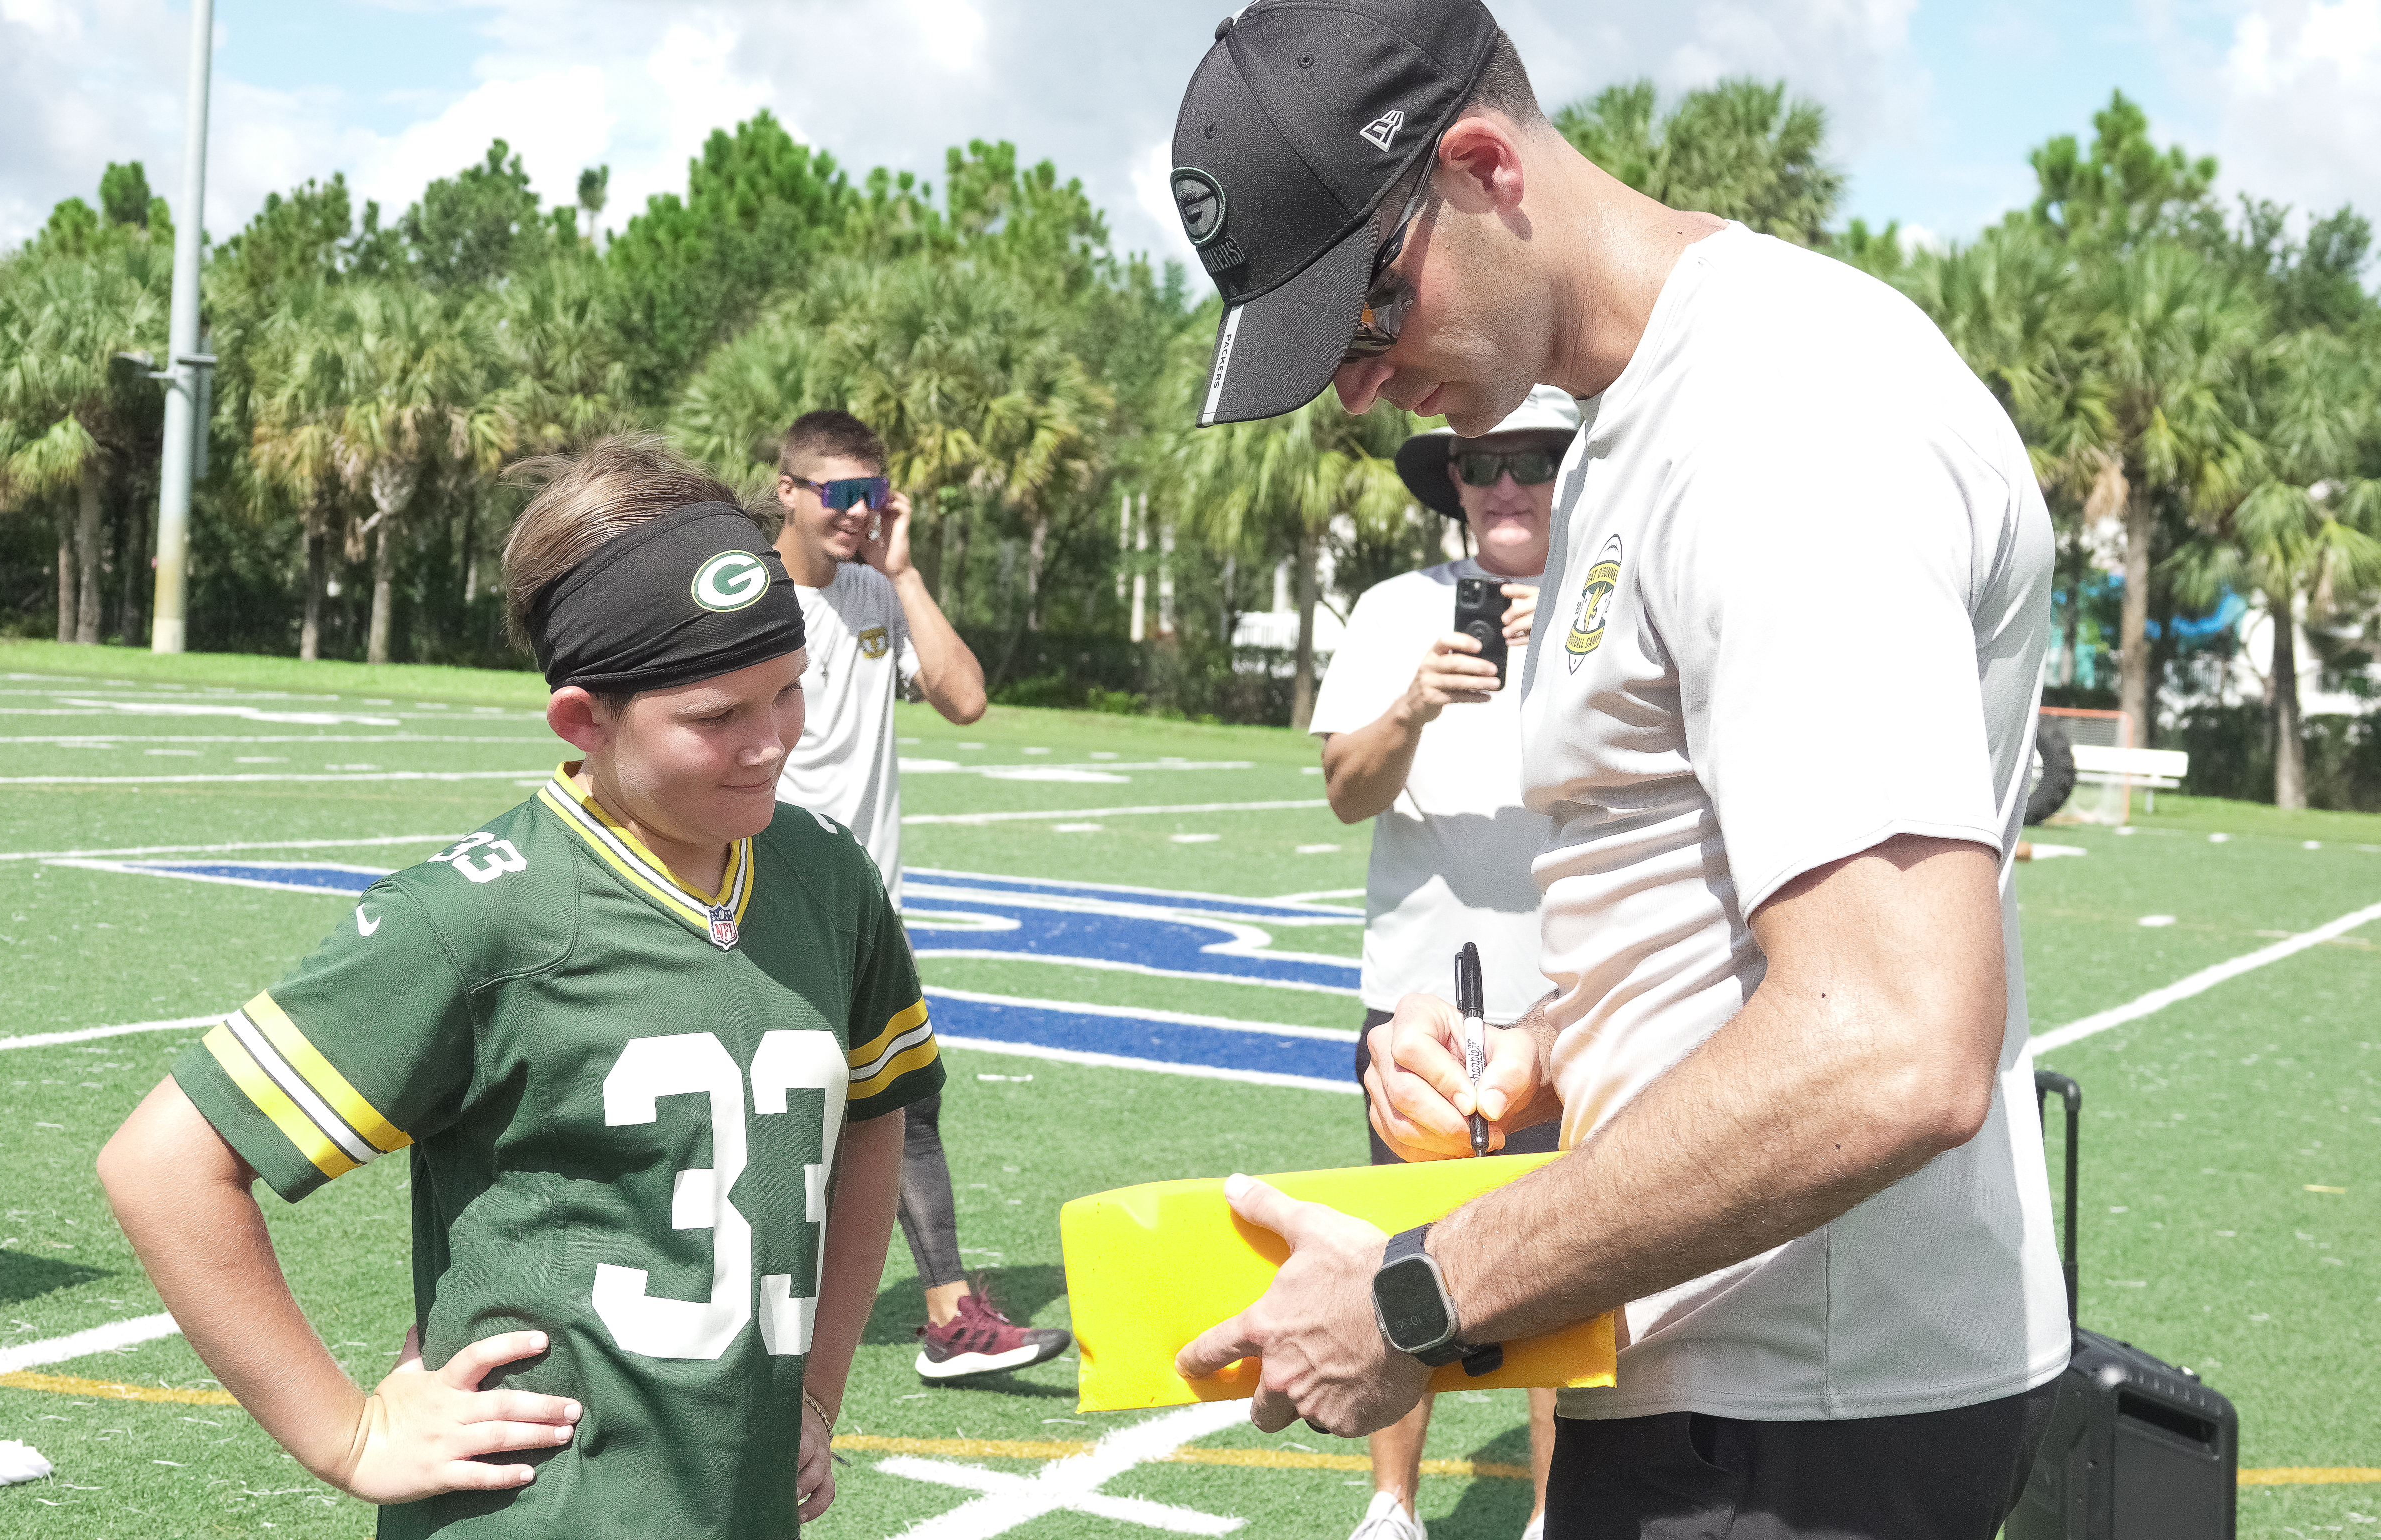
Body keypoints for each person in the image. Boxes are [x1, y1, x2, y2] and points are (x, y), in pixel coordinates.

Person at [1164, 4, 2069, 1537]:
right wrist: (1547, 1051)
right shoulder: (1633, 424)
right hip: (1707, 1385)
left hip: (1799, 1419)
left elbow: (1890, 1048)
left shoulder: (1782, 425)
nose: (1362, 394)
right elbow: (1719, 916)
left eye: (1364, 322)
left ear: (1480, 166)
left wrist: (1417, 1291)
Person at [96, 436, 944, 1538]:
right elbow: (162, 1165)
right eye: (714, 717)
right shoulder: (480, 914)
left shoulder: (829, 878)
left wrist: (818, 1392)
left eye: (788, 693)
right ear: (585, 721)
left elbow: (876, 1117)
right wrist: (347, 1435)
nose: (771, 744)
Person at [1308, 386, 1576, 1540]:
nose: (1506, 482)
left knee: (1572, 1270)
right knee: (1403, 1257)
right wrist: (1415, 701)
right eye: (1480, 462)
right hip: (1420, 1001)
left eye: (1534, 458)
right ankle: (1391, 1506)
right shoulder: (1389, 612)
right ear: (1453, 483)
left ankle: (1557, 1516)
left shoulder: (1614, 603)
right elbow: (1344, 792)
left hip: (1574, 1004)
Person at [767, 408, 1073, 1382]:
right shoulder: (749, 601)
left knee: (902, 1099)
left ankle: (947, 1315)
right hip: (770, 903)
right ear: (787, 492)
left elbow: (965, 698)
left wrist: (903, 572)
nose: (857, 512)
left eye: (874, 493)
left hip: (867, 908)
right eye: (838, 493)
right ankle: (762, 1322)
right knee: (795, 1109)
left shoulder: (875, 591)